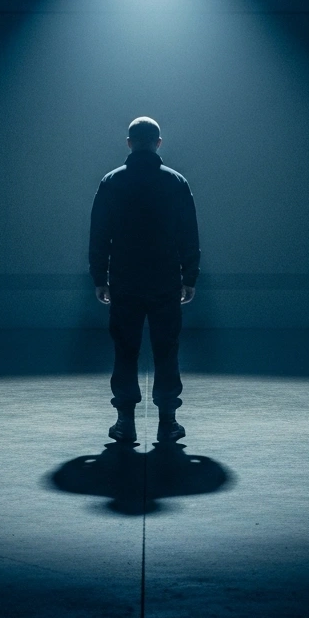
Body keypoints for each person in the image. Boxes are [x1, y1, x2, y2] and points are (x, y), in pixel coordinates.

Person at [89, 117, 200, 444]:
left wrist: (100, 277)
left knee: (125, 349)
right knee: (166, 349)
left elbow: (100, 235)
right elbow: (188, 234)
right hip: (165, 279)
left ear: (129, 143)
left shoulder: (112, 182)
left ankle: (126, 422)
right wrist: (189, 276)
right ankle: (167, 422)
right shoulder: (175, 182)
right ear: (158, 142)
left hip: (125, 279)